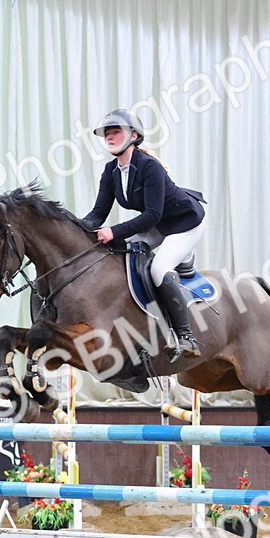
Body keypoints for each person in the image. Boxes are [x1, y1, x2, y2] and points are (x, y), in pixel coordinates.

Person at [81, 108, 206, 361]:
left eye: (116, 131)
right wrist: (75, 229)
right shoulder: (111, 171)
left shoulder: (150, 167)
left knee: (159, 268)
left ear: (134, 136)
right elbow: (98, 213)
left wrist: (114, 231)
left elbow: (152, 215)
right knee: (122, 256)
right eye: (107, 133)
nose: (109, 137)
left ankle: (186, 336)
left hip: (185, 222)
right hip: (158, 224)